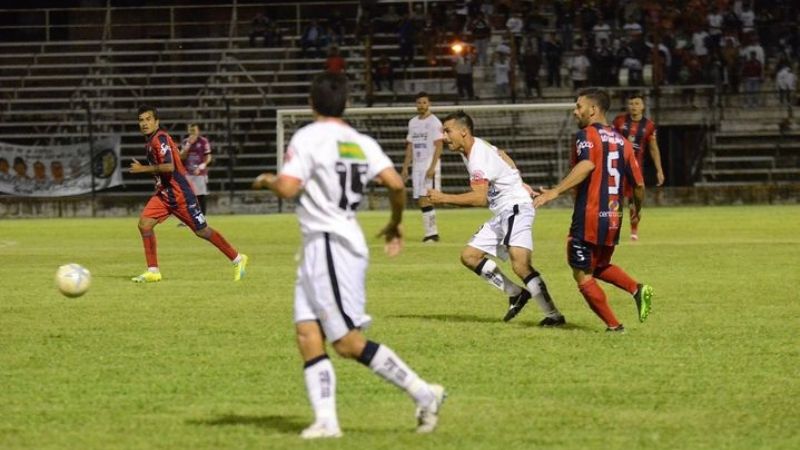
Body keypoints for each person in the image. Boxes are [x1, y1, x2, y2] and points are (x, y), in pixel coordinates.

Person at [251, 73, 445, 439]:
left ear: (311, 103)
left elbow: (289, 187)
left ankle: (424, 392)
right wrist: (396, 222)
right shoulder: (360, 142)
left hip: (330, 245)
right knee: (308, 333)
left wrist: (266, 180)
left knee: (347, 343)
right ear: (346, 104)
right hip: (324, 244)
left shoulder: (308, 137)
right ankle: (326, 420)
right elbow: (395, 183)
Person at [427, 110, 566, 326]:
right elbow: (502, 154)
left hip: (515, 207)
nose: (444, 137)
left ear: (463, 132)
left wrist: (442, 197)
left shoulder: (477, 158)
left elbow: (479, 198)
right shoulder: (475, 146)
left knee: (520, 265)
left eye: (447, 131)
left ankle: (553, 316)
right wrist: (517, 179)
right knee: (470, 256)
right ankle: (516, 293)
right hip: (503, 210)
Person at [533, 88, 653, 332]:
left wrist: (554, 192)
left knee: (581, 272)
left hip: (589, 214)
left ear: (593, 110)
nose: (575, 110)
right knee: (597, 266)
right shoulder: (624, 142)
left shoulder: (584, 135)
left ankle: (614, 326)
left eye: (579, 106)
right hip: (613, 216)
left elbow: (587, 164)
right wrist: (636, 210)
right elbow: (639, 185)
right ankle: (637, 289)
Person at [130, 105, 247, 283]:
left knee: (203, 231)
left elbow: (169, 167)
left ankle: (238, 259)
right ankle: (153, 271)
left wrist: (141, 169)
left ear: (157, 121)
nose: (144, 123)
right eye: (141, 120)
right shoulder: (155, 140)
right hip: (164, 194)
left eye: (148, 119)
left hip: (179, 195)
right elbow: (176, 160)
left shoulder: (159, 139)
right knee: (145, 224)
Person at [612, 92, 665, 241]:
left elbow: (653, 148)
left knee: (635, 201)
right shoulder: (619, 121)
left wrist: (659, 170)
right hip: (618, 167)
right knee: (616, 201)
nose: (633, 107)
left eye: (636, 104)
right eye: (631, 104)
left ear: (642, 106)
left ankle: (634, 231)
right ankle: (614, 230)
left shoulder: (649, 126)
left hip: (636, 168)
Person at [401, 92, 444, 243]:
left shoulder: (434, 122)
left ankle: (432, 234)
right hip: (417, 166)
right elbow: (410, 146)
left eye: (424, 103)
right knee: (421, 199)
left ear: (429, 104)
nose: (421, 105)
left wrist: (432, 167)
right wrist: (405, 167)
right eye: (419, 103)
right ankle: (430, 233)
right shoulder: (412, 122)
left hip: (428, 165)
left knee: (426, 198)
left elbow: (439, 145)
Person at [180, 123, 212, 216]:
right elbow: (181, 157)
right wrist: (188, 145)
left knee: (201, 195)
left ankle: (203, 217)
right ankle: (188, 218)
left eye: (194, 130)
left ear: (198, 131)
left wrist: (203, 165)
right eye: (191, 130)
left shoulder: (203, 141)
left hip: (200, 173)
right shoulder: (186, 141)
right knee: (188, 196)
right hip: (188, 173)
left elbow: (208, 156)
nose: (192, 132)